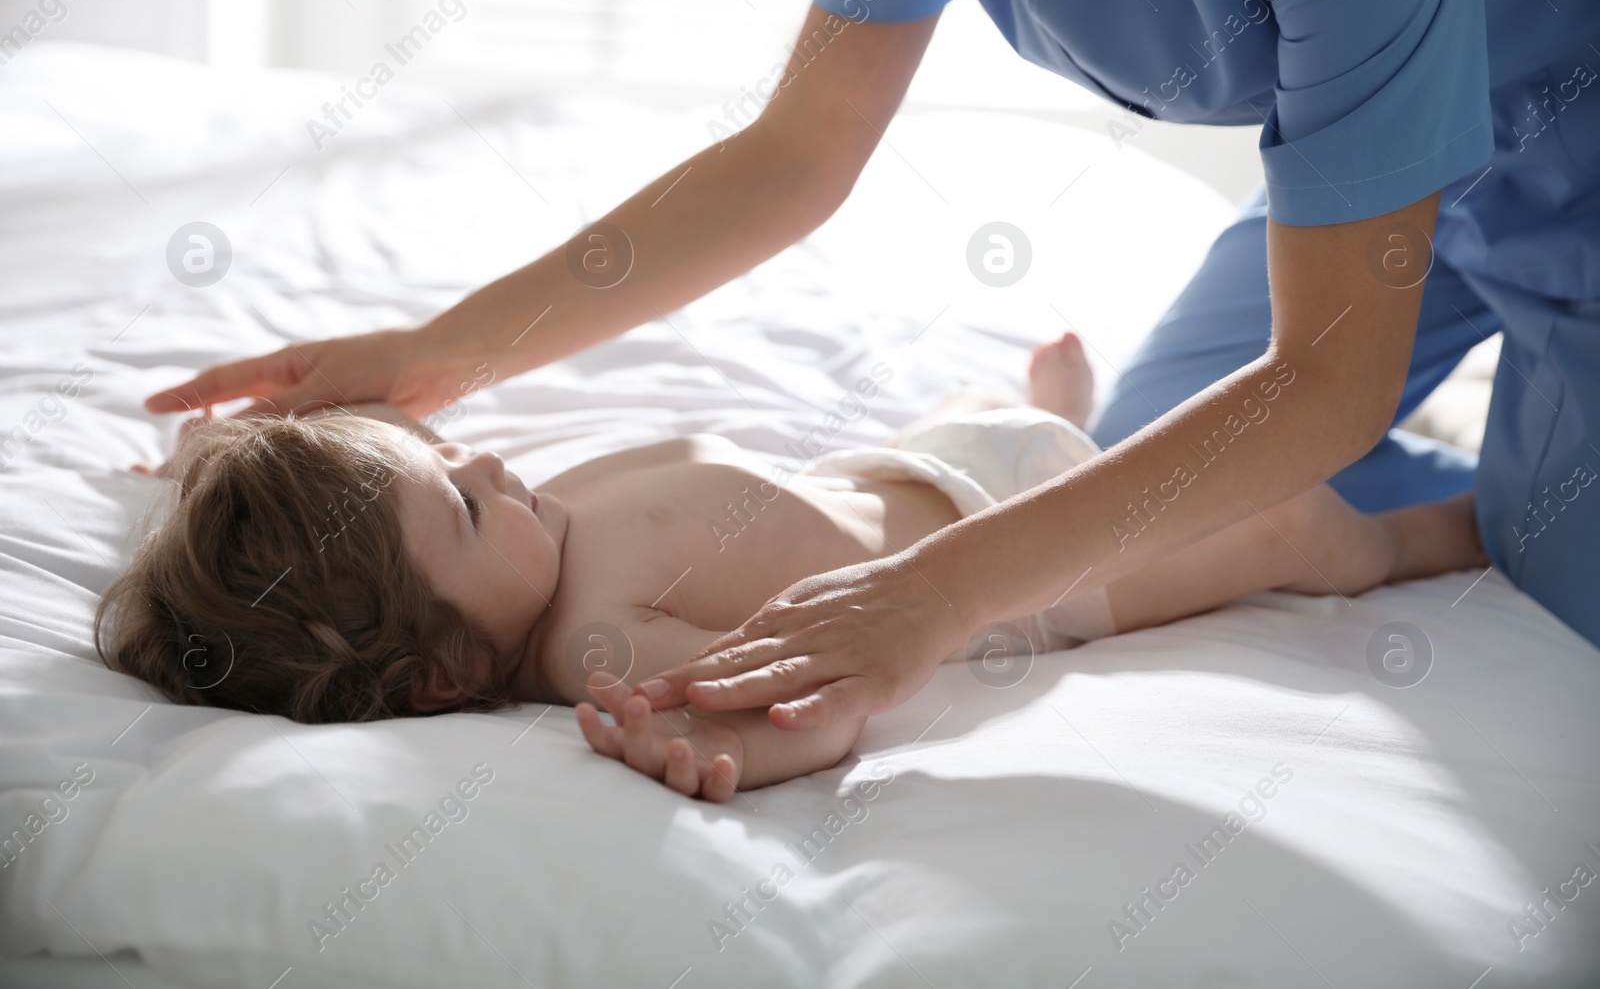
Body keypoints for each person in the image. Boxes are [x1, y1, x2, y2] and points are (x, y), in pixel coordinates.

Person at [146, 0, 1600, 734]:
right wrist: (433, 360)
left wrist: (939, 597)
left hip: (1563, 157)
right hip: (1394, 183)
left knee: (1512, 539)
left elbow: (1327, 381)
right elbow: (796, 156)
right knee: (1151, 463)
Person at [105, 335, 1480, 800]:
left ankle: (1063, 405)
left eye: (448, 458)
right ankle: (1451, 532)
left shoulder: (498, 549)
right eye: (463, 509)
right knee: (1304, 530)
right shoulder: (595, 648)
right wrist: (739, 757)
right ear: (447, 670)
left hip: (917, 464)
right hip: (1031, 558)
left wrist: (218, 475)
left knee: (1051, 427)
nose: (483, 466)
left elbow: (392, 483)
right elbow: (797, 703)